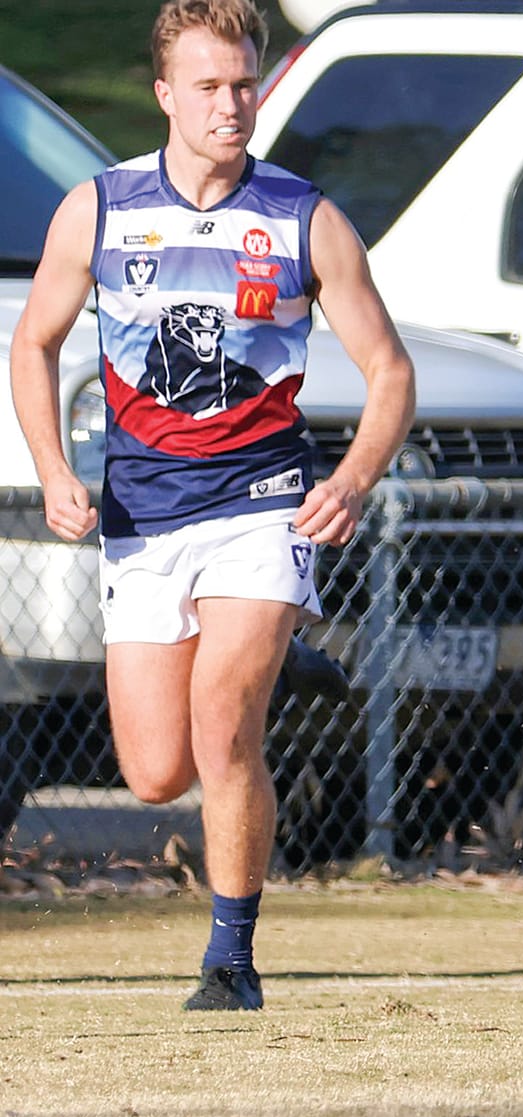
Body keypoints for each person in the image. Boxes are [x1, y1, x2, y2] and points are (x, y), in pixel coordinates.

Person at [9, 0, 416, 1011]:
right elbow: (34, 342)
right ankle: (295, 654)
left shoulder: (302, 217)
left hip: (262, 504)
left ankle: (230, 960)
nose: (230, 105)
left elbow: (390, 371)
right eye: (208, 87)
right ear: (165, 95)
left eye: (243, 84)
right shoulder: (98, 210)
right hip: (143, 514)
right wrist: (56, 470)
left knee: (224, 721)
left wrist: (351, 480)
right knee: (154, 773)